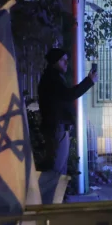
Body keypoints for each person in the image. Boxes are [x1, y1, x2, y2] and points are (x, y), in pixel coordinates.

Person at [37, 48, 97, 177]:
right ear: (54, 61)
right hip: (56, 128)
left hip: (57, 127)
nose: (66, 63)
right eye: (62, 60)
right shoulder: (52, 79)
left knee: (59, 167)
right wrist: (89, 81)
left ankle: (56, 190)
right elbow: (69, 95)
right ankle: (50, 190)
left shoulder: (53, 77)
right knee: (56, 169)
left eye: (66, 60)